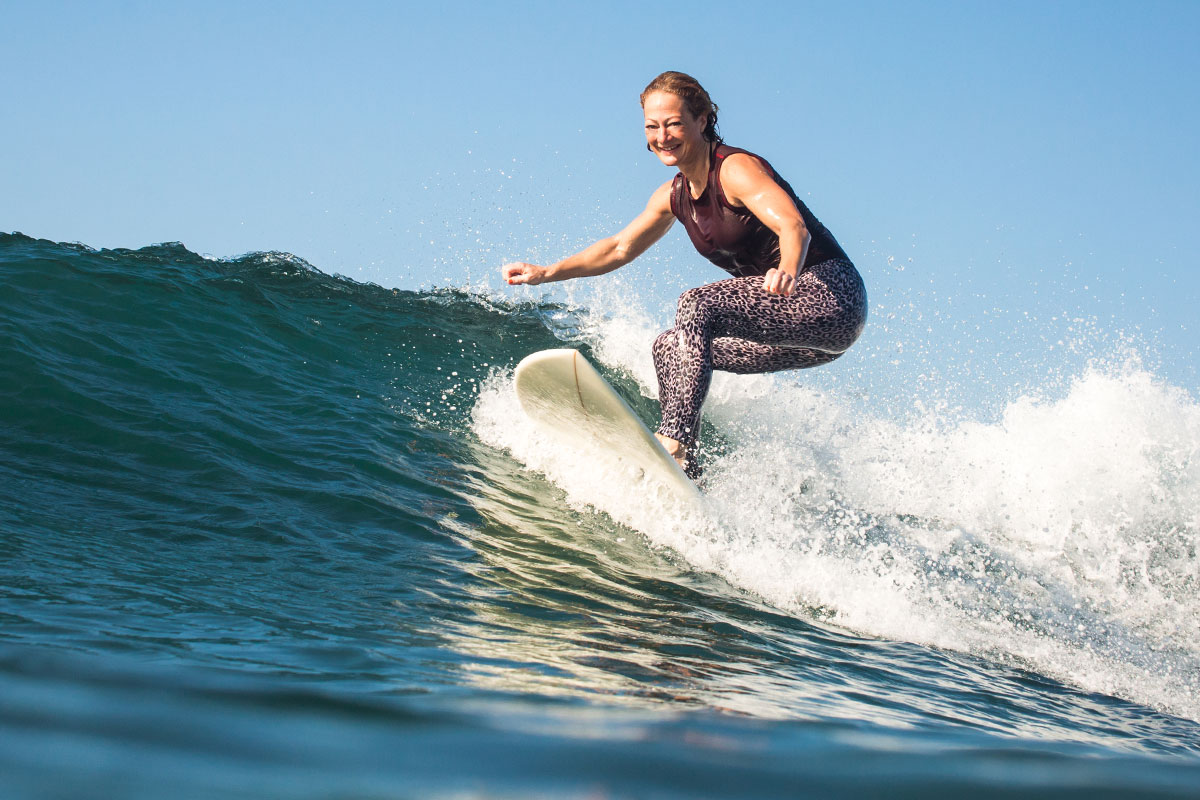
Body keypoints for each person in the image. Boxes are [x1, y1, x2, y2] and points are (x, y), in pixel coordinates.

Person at [502, 71, 866, 478]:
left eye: (673, 123)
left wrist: (788, 268)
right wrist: (547, 271)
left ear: (702, 119)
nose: (662, 136)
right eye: (652, 126)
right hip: (802, 344)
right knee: (670, 347)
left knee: (696, 304)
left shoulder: (735, 170)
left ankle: (674, 438)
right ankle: (687, 469)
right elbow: (619, 248)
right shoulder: (672, 196)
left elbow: (792, 225)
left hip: (831, 299)